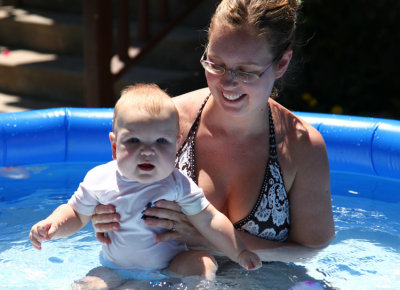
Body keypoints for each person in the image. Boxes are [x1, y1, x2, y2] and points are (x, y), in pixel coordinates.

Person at [93, 0, 335, 268]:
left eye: (245, 71)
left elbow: (311, 252)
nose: (228, 83)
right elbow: (114, 194)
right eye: (216, 64)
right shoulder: (166, 126)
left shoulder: (301, 146)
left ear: (281, 63)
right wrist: (103, 217)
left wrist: (208, 239)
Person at [29, 83, 261, 288]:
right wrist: (54, 225)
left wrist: (238, 250)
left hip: (170, 265)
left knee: (202, 263)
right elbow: (76, 214)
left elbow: (210, 219)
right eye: (133, 140)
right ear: (114, 145)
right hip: (113, 268)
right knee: (89, 285)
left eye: (161, 141)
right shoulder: (99, 179)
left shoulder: (177, 183)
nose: (147, 150)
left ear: (176, 145)